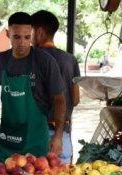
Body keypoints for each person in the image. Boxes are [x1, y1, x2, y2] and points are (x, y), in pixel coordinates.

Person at [0, 12, 66, 162]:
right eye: (17, 37)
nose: (22, 43)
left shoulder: (44, 61)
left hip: (35, 143)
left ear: (32, 34)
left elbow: (59, 100)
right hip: (7, 140)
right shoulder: (1, 60)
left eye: (27, 37)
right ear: (8, 34)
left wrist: (58, 135)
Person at [31, 10, 81, 165]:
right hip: (61, 136)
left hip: (35, 134)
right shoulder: (70, 60)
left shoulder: (31, 58)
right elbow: (76, 99)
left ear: (39, 32)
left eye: (29, 33)